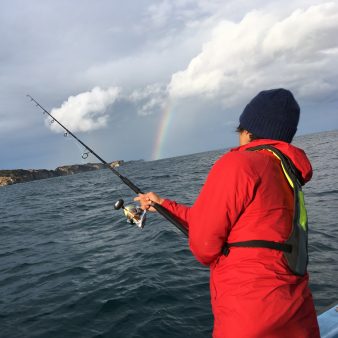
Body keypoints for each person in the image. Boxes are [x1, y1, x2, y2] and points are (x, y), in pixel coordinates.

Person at [135, 89, 320, 338]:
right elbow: (242, 230)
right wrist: (163, 204)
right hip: (297, 316)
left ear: (248, 131)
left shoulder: (238, 164)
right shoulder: (286, 175)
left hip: (251, 320)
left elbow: (204, 245)